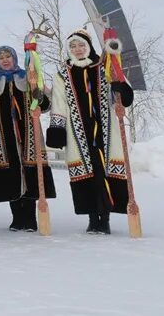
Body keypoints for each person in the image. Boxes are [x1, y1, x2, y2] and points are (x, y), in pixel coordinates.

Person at [46, 29, 134, 235]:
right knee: (87, 172)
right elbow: (59, 103)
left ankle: (106, 217)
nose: (77, 50)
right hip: (79, 132)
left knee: (105, 169)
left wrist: (119, 87)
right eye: (73, 46)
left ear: (89, 46)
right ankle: (93, 217)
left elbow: (122, 94)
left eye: (81, 45)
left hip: (105, 129)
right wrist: (57, 131)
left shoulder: (105, 67)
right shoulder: (63, 74)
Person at [0, 45, 56, 231]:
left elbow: (44, 104)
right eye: (1, 57)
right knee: (10, 174)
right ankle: (16, 217)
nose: (5, 60)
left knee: (29, 171)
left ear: (14, 58)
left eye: (8, 56)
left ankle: (29, 218)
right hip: (1, 138)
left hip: (28, 134)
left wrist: (38, 88)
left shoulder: (28, 76)